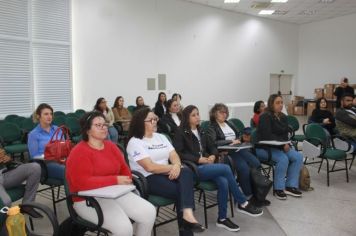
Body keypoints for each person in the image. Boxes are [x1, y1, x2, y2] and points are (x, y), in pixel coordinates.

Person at [174, 105, 263, 232]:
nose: (198, 117)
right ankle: (242, 203)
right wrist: (198, 159)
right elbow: (178, 154)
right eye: (193, 115)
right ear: (186, 118)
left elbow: (212, 147)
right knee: (226, 168)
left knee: (223, 181)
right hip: (191, 169)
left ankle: (222, 219)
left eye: (198, 114)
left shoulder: (201, 131)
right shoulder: (180, 132)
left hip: (206, 165)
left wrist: (212, 155)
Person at [66, 111, 156, 236]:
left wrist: (122, 180)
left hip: (116, 193)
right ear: (87, 130)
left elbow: (125, 171)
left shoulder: (111, 147)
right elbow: (81, 184)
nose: (103, 128)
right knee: (124, 229)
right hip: (87, 200)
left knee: (149, 212)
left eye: (104, 125)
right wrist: (115, 180)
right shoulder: (79, 152)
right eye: (98, 125)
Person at [126, 108, 204, 235]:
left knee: (187, 172)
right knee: (182, 190)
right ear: (141, 123)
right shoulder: (135, 142)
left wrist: (177, 165)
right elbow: (149, 167)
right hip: (148, 178)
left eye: (155, 118)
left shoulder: (161, 137)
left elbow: (173, 155)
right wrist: (173, 167)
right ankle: (187, 222)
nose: (155, 122)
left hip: (166, 173)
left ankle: (187, 215)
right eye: (151, 120)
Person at [207, 103, 265, 205]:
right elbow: (213, 142)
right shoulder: (212, 127)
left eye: (225, 112)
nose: (224, 114)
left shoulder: (229, 123)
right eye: (221, 112)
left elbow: (238, 134)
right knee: (243, 168)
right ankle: (248, 195)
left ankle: (258, 192)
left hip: (238, 149)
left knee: (255, 163)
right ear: (214, 113)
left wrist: (241, 138)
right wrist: (230, 142)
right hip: (225, 152)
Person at [256, 94, 303, 200]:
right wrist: (283, 145)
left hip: (280, 146)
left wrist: (285, 144)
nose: (281, 105)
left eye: (281, 102)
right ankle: (279, 188)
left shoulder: (283, 116)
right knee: (283, 159)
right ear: (271, 104)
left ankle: (291, 185)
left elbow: (284, 133)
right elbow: (267, 135)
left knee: (298, 157)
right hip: (264, 148)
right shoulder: (265, 116)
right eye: (277, 103)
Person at [0, 148, 41, 218]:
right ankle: (6, 224)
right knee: (6, 202)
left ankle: (27, 206)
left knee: (35, 167)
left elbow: (6, 162)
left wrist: (7, 160)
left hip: (4, 174)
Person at [28, 103, 65, 180]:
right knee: (69, 171)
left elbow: (64, 147)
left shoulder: (58, 129)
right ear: (38, 116)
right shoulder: (33, 134)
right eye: (46, 114)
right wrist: (51, 156)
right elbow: (34, 156)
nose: (49, 116)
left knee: (82, 167)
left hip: (61, 160)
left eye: (51, 114)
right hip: (46, 164)